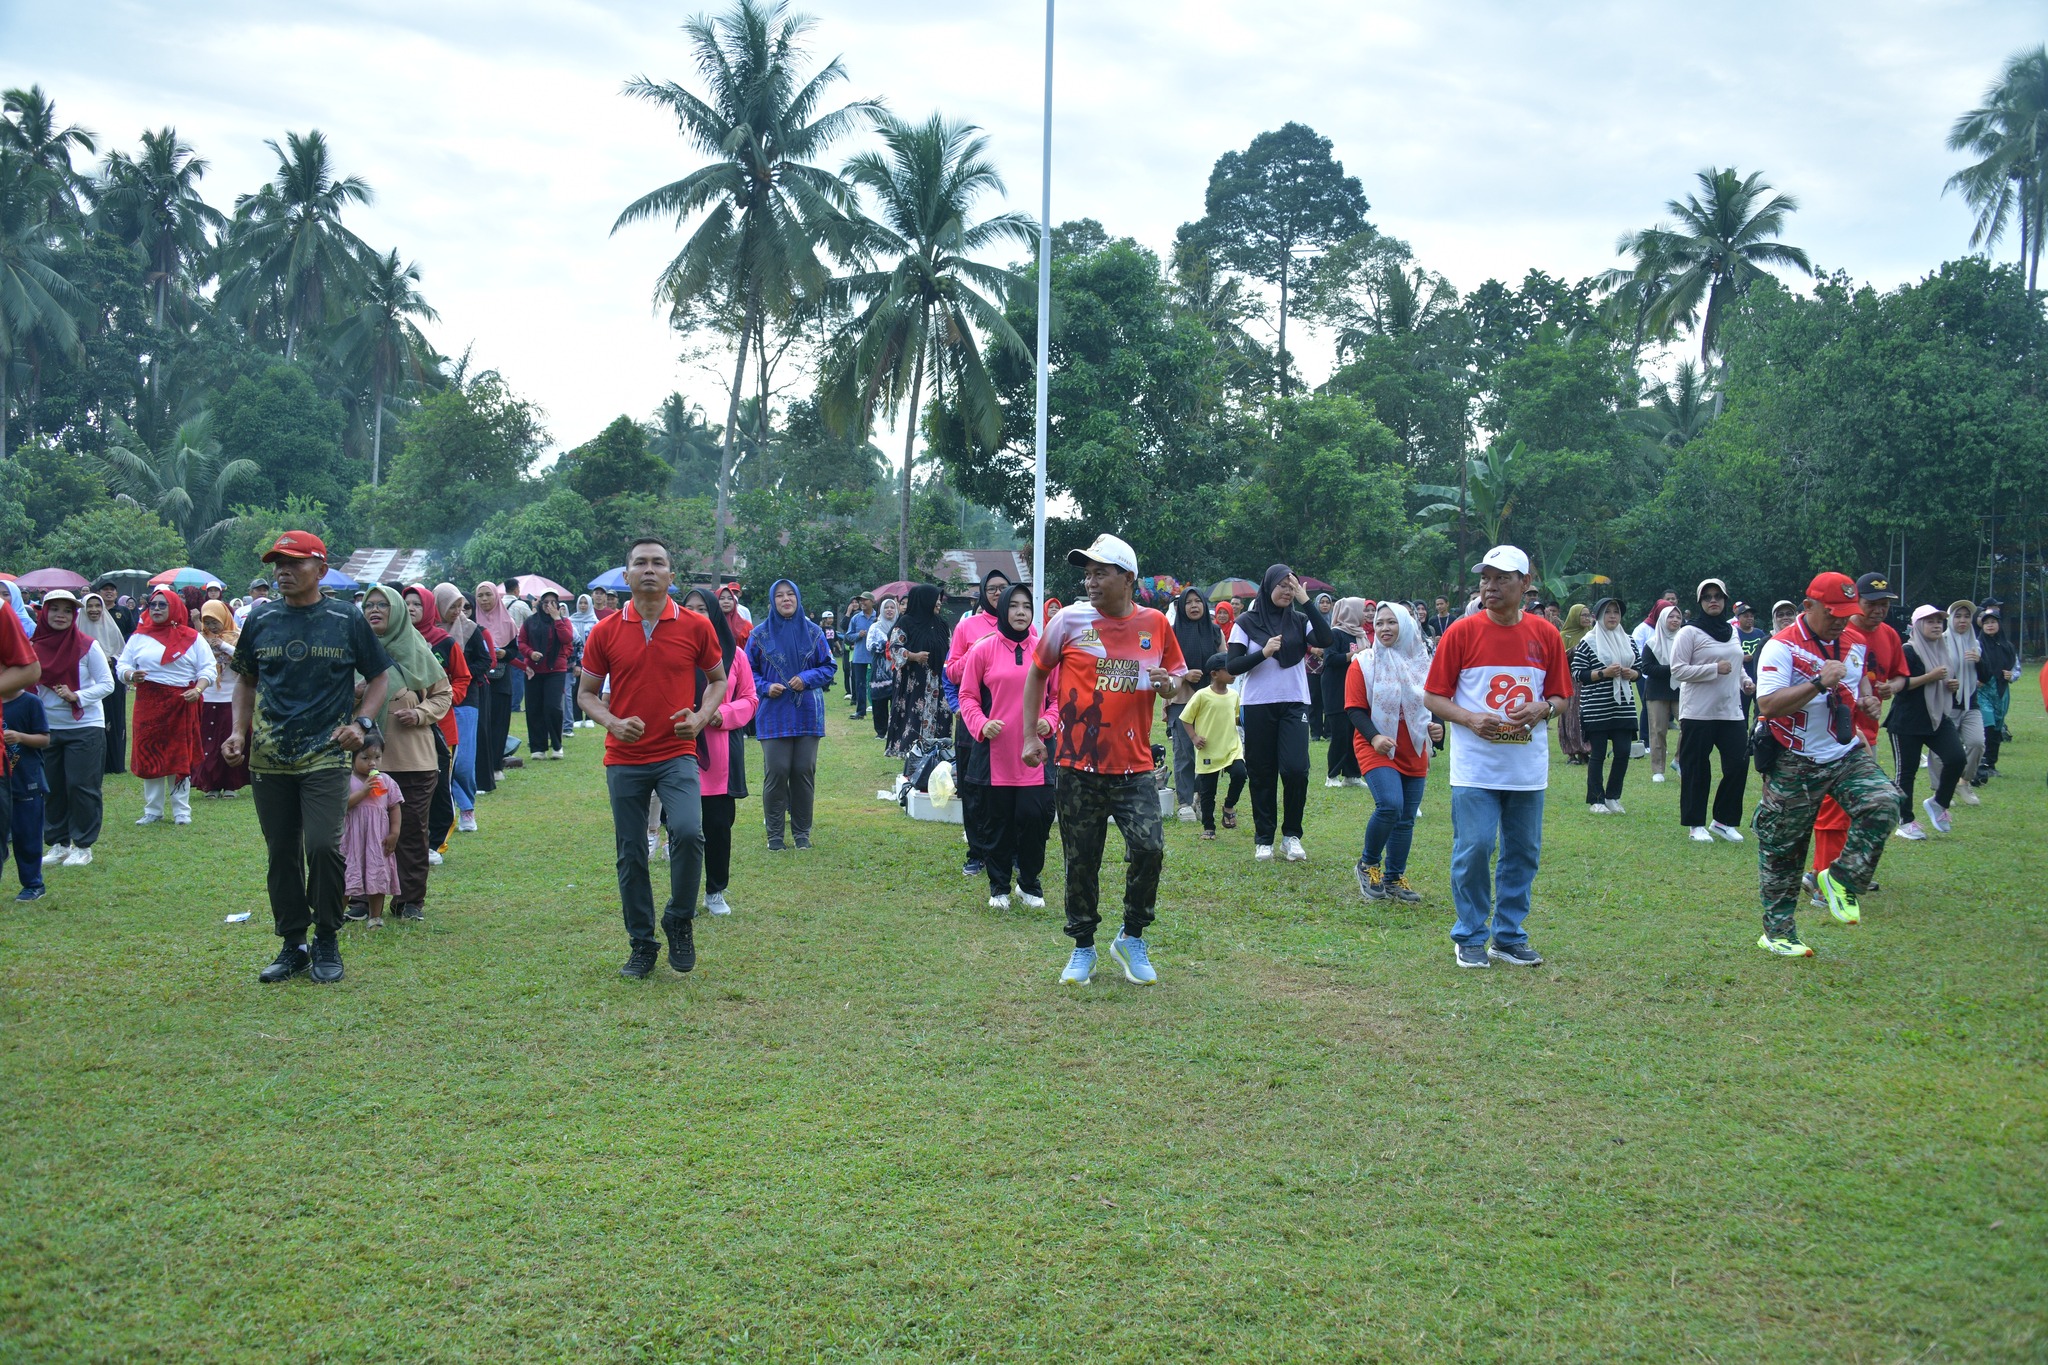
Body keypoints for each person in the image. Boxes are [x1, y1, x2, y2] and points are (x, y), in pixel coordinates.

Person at [1019, 533, 1186, 987]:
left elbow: (1177, 681)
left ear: (1127, 577)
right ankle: (1082, 947)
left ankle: (1131, 937)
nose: (1091, 582)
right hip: (1076, 765)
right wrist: (1031, 733)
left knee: (1150, 848)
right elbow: (1037, 672)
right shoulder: (1069, 621)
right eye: (1087, 574)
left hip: (1134, 766)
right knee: (1082, 859)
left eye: (1101, 573)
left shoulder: (1155, 623)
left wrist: (1170, 686)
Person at [224, 531, 392, 985]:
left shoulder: (345, 618)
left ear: (320, 569)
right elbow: (245, 681)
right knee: (281, 852)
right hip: (270, 756)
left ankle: (327, 939)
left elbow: (378, 677)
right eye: (277, 563)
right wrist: (239, 731)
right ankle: (293, 943)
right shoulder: (261, 619)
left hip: (326, 754)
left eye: (294, 563)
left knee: (321, 846)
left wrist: (361, 724)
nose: (282, 571)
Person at [577, 538, 728, 977]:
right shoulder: (604, 631)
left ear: (671, 577)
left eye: (657, 563)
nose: (648, 569)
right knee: (630, 853)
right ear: (626, 577)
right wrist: (612, 722)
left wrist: (700, 718)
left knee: (688, 831)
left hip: (676, 751)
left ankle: (679, 918)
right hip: (624, 755)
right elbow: (585, 694)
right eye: (639, 563)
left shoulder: (696, 626)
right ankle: (642, 943)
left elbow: (717, 681)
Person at [1422, 545, 1571, 969]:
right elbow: (1434, 694)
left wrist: (1545, 708)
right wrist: (1468, 718)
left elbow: (1561, 695)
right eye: (1485, 578)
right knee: (1475, 846)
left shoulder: (1545, 635)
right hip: (1475, 768)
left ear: (1526, 584)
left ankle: (1508, 936)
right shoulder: (1461, 633)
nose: (1490, 586)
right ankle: (1469, 934)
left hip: (1526, 770)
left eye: (1502, 578)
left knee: (1523, 851)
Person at [1752, 572, 1900, 956]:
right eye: (1833, 613)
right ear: (1808, 607)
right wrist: (1818, 683)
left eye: (1846, 613)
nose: (1840, 621)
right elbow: (1767, 706)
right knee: (1784, 848)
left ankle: (1837, 878)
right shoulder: (1780, 647)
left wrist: (1866, 699)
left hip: (1844, 751)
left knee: (1885, 802)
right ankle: (1779, 933)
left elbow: (1856, 683)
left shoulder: (1853, 640)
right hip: (1793, 757)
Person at [958, 583, 1059, 907]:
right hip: (995, 754)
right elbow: (968, 696)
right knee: (996, 823)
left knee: (1034, 819)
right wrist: (982, 724)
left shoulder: (1044, 650)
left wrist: (1051, 719)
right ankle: (999, 886)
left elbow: (1058, 697)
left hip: (1035, 755)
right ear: (1002, 610)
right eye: (1013, 605)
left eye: (1026, 607)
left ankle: (1029, 884)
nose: (1020, 612)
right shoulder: (983, 649)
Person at [1225, 564, 1333, 863]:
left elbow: (1326, 640)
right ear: (1268, 586)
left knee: (1296, 769)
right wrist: (1263, 653)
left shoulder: (1299, 620)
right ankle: (1264, 839)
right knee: (1261, 772)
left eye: (1292, 585)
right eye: (1282, 585)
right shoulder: (1246, 622)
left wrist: (1307, 601)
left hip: (1294, 703)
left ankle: (1291, 836)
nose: (1287, 590)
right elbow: (1232, 667)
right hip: (1257, 704)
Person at [356, 585, 452, 922]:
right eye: (369, 605)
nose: (375, 610)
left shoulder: (416, 649)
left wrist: (420, 713)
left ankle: (410, 901)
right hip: (364, 764)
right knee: (365, 831)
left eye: (383, 604)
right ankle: (362, 897)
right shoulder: (354, 650)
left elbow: (443, 695)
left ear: (397, 610)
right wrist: (353, 695)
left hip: (413, 760)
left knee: (410, 831)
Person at [1807, 573, 1907, 887]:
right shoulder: (1832, 633)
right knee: (1834, 808)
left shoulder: (1876, 638)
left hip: (1865, 733)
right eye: (1871, 604)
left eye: (1884, 604)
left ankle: (1841, 871)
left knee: (1861, 806)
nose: (1878, 610)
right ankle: (1826, 876)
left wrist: (1870, 698)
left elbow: (1867, 678)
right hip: (1831, 738)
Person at [1347, 603, 1443, 903]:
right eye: (1379, 623)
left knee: (1405, 819)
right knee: (1390, 805)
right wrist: (1375, 738)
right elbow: (1355, 708)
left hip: (1414, 746)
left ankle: (1394, 877)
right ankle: (1368, 864)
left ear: (1406, 625)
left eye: (1392, 623)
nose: (1385, 629)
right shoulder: (1364, 662)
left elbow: (1436, 700)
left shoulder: (1423, 661)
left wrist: (1438, 726)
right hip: (1375, 743)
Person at [679, 588, 755, 914]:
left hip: (720, 752)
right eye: (689, 608)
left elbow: (750, 699)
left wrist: (723, 713)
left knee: (718, 827)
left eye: (702, 609)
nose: (696, 614)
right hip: (680, 749)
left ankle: (715, 891)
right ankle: (684, 895)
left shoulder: (735, 655)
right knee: (684, 829)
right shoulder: (673, 651)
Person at [747, 578, 834, 852]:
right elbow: (748, 671)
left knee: (803, 771)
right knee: (777, 771)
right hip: (773, 712)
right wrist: (764, 686)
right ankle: (775, 835)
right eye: (780, 596)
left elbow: (829, 667)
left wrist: (806, 678)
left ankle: (801, 834)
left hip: (807, 712)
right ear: (772, 601)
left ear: (797, 598)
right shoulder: (759, 635)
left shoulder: (814, 632)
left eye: (790, 595)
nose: (786, 599)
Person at [115, 587, 212, 829]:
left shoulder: (192, 636)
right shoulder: (138, 636)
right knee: (150, 755)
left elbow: (208, 669)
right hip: (148, 704)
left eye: (162, 605)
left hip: (181, 703)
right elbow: (122, 665)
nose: (156, 609)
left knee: (178, 757)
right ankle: (153, 810)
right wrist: (130, 674)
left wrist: (198, 690)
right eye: (152, 605)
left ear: (174, 608)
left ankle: (182, 811)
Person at [32, 590, 115, 864]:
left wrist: (77, 696)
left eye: (67, 611)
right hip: (47, 728)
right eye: (54, 609)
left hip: (85, 726)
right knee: (52, 787)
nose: (60, 615)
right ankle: (58, 843)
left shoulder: (86, 645)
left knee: (82, 786)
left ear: (74, 615)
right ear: (44, 613)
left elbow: (107, 684)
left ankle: (83, 846)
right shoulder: (32, 646)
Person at [1670, 578, 1751, 842]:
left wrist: (1745, 680)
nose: (1713, 600)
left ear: (1726, 600)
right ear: (1700, 602)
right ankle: (1696, 825)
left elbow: (1736, 663)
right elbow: (1678, 670)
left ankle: (1723, 821)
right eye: (1707, 597)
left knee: (1738, 764)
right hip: (1698, 712)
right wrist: (1713, 669)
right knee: (1696, 768)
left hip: (1731, 711)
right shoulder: (1689, 632)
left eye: (1718, 596)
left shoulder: (1732, 630)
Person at [945, 569, 1013, 875]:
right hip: (974, 717)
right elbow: (952, 672)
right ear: (983, 592)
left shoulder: (1021, 625)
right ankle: (977, 851)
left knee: (1009, 787)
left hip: (1010, 718)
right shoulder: (968, 627)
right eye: (992, 588)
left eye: (1003, 588)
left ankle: (1007, 850)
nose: (998, 593)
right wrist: (979, 650)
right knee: (974, 787)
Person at [1888, 605, 1970, 839]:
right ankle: (1905, 821)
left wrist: (1949, 686)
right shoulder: (1908, 650)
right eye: (1930, 621)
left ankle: (1939, 802)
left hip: (1936, 717)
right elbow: (1899, 686)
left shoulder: (1942, 649)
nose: (1936, 625)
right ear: (1917, 626)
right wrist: (1929, 677)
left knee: (1956, 758)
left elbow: (1942, 683)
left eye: (1939, 621)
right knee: (1906, 772)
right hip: (1907, 721)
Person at [405, 584, 467, 857]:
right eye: (406, 603)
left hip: (441, 727)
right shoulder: (395, 640)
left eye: (417, 604)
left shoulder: (445, 642)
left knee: (439, 786)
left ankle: (435, 843)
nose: (411, 608)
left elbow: (462, 677)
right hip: (405, 728)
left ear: (428, 608)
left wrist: (447, 700)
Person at [1570, 596, 1642, 814]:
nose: (1612, 616)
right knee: (1598, 753)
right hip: (1596, 707)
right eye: (1608, 612)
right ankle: (1596, 799)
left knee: (1622, 752)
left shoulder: (1628, 640)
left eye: (1616, 612)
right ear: (1599, 616)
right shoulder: (1588, 642)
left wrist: (1632, 673)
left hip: (1623, 705)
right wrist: (1604, 673)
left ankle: (1613, 796)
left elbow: (1639, 667)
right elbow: (1577, 673)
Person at [436, 584, 490, 831]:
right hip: (433, 704)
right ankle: (445, 812)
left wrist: (464, 675)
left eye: (461, 605)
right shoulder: (427, 634)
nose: (458, 611)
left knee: (464, 761)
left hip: (465, 701)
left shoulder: (471, 629)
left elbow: (485, 660)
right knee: (442, 761)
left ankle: (467, 809)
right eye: (453, 606)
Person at [1179, 652, 1247, 838]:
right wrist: (1193, 737)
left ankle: (1229, 805)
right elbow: (1185, 718)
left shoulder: (1234, 695)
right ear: (1215, 673)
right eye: (1229, 669)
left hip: (1232, 748)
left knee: (1240, 774)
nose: (1234, 673)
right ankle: (1209, 827)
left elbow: (1235, 719)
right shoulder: (1202, 695)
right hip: (1209, 749)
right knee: (1208, 792)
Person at [1168, 587, 1222, 819]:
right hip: (1181, 697)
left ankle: (1203, 798)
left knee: (1208, 748)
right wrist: (1185, 674)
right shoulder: (1171, 632)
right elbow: (1164, 666)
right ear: (1181, 607)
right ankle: (1185, 802)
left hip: (1209, 697)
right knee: (1185, 751)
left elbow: (1224, 661)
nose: (1193, 606)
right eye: (1188, 602)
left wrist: (1213, 674)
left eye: (1197, 601)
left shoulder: (1215, 631)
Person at [1926, 600, 1986, 805]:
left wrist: (1979, 661)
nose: (1962, 620)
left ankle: (1963, 782)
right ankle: (1940, 790)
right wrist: (1947, 682)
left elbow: (1986, 677)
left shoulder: (1975, 643)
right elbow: (1931, 670)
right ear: (1951, 619)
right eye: (1958, 616)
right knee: (1938, 750)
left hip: (1970, 703)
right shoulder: (1940, 641)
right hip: (1946, 702)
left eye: (1967, 616)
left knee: (1977, 743)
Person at [342, 739, 403, 929]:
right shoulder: (345, 780)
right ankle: (335, 917)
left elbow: (394, 807)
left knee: (377, 874)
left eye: (377, 757)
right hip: (353, 839)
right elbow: (342, 805)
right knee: (346, 876)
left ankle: (375, 917)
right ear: (352, 759)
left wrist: (394, 832)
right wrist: (364, 790)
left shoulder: (386, 781)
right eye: (365, 758)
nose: (372, 763)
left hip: (377, 839)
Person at [191, 601, 250, 798]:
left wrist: (223, 645)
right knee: (208, 742)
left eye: (215, 621)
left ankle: (231, 784)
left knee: (231, 740)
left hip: (231, 695)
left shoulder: (237, 636)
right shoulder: (200, 639)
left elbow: (245, 659)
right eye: (207, 622)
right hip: (208, 695)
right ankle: (211, 784)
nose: (212, 626)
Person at [885, 585, 950, 759]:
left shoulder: (941, 624)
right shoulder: (906, 622)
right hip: (914, 682)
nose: (938, 603)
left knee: (940, 717)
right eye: (935, 599)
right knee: (914, 717)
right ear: (924, 600)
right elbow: (894, 648)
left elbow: (951, 649)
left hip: (938, 681)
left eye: (939, 599)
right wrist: (913, 656)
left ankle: (937, 753)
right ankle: (911, 753)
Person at [4, 683, 49, 900]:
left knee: (27, 835)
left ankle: (33, 884)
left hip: (26, 780)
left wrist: (20, 737)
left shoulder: (31, 702)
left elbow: (44, 738)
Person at [516, 590, 572, 761]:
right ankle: (538, 747)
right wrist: (530, 653)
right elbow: (521, 642)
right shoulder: (530, 622)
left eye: (553, 602)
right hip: (534, 670)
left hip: (556, 670)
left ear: (558, 604)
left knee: (552, 707)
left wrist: (557, 619)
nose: (549, 605)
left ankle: (557, 745)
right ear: (540, 604)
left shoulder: (563, 622)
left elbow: (566, 639)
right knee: (534, 708)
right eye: (546, 602)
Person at [472, 582, 517, 787]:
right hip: (480, 681)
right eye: (480, 596)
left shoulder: (507, 622)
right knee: (482, 724)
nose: (484, 600)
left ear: (496, 597)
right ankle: (481, 765)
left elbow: (515, 651)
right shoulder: (471, 623)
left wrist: (504, 654)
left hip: (500, 679)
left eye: (488, 595)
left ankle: (497, 765)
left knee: (499, 723)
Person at [80, 593, 128, 776]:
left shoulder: (111, 627)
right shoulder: (77, 629)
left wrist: (111, 659)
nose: (94, 610)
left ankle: (115, 763)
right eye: (90, 606)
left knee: (113, 719)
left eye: (97, 606)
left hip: (111, 679)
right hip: (86, 683)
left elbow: (122, 654)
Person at [1322, 598, 1368, 786]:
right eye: (1362, 610)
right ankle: (1332, 775)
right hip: (1336, 690)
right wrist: (1356, 655)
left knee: (1353, 734)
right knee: (1340, 734)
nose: (1365, 615)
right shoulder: (1335, 633)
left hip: (1354, 690)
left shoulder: (1360, 634)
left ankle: (1352, 775)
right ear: (1351, 611)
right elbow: (1330, 659)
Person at [1637, 605, 1682, 780]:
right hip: (1657, 691)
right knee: (1658, 730)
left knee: (1689, 725)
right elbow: (1647, 667)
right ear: (1663, 620)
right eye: (1671, 617)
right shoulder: (1652, 643)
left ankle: (1679, 760)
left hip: (1680, 690)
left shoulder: (1685, 641)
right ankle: (1658, 770)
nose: (1675, 620)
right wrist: (1672, 669)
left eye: (1678, 617)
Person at [1974, 607, 2019, 778]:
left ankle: (1991, 764)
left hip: (2001, 691)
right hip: (1983, 691)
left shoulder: (2008, 647)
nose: (1990, 626)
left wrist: (2011, 675)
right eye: (1986, 623)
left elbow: (2016, 669)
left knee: (1997, 728)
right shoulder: (1977, 645)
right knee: (1988, 725)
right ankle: (1981, 763)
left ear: (1999, 624)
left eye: (1993, 622)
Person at [1556, 603, 1595, 766]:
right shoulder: (1564, 635)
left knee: (1587, 716)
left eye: (1588, 615)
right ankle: (1572, 752)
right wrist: (1574, 651)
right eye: (1583, 615)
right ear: (1574, 616)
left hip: (1588, 681)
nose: (1587, 618)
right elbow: (1559, 660)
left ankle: (1586, 750)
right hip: (1571, 682)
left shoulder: (1592, 635)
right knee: (1571, 717)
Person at [566, 594, 600, 731]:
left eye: (586, 603)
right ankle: (578, 717)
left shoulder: (595, 622)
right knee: (576, 689)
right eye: (581, 603)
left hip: (592, 659)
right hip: (576, 660)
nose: (583, 606)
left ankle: (590, 717)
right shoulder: (571, 620)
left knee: (592, 688)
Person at [866, 598, 898, 739]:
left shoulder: (900, 625)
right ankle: (881, 731)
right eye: (886, 607)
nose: (889, 610)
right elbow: (870, 645)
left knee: (897, 702)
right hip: (880, 670)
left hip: (897, 668)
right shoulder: (875, 627)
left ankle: (895, 730)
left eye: (892, 607)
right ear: (881, 610)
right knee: (879, 701)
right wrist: (887, 644)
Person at [718, 583, 752, 648]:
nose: (726, 601)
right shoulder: (710, 623)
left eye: (730, 598)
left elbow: (752, 648)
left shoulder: (746, 626)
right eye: (722, 598)